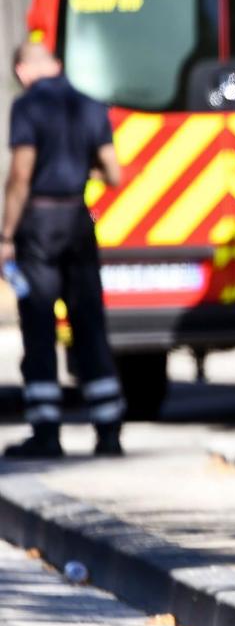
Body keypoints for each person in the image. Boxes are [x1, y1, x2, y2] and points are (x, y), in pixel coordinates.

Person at [1, 41, 126, 457]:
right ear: (55, 64)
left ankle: (46, 432)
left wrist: (5, 234)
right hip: (78, 219)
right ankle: (108, 430)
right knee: (89, 321)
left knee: (39, 323)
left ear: (22, 71)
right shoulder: (91, 106)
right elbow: (114, 173)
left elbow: (20, 173)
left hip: (38, 223)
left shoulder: (28, 107)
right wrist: (78, 168)